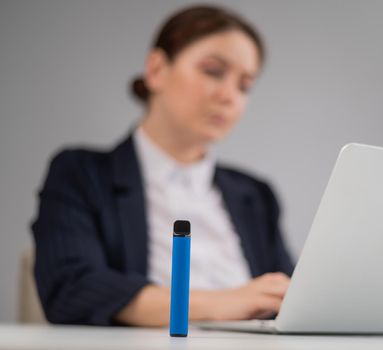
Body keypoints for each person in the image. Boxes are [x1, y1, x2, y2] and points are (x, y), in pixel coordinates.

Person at [31, 5, 294, 327]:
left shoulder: (256, 194)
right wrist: (223, 302)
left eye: (245, 86)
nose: (229, 96)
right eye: (213, 70)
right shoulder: (82, 174)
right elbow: (72, 288)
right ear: (156, 69)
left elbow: (289, 298)